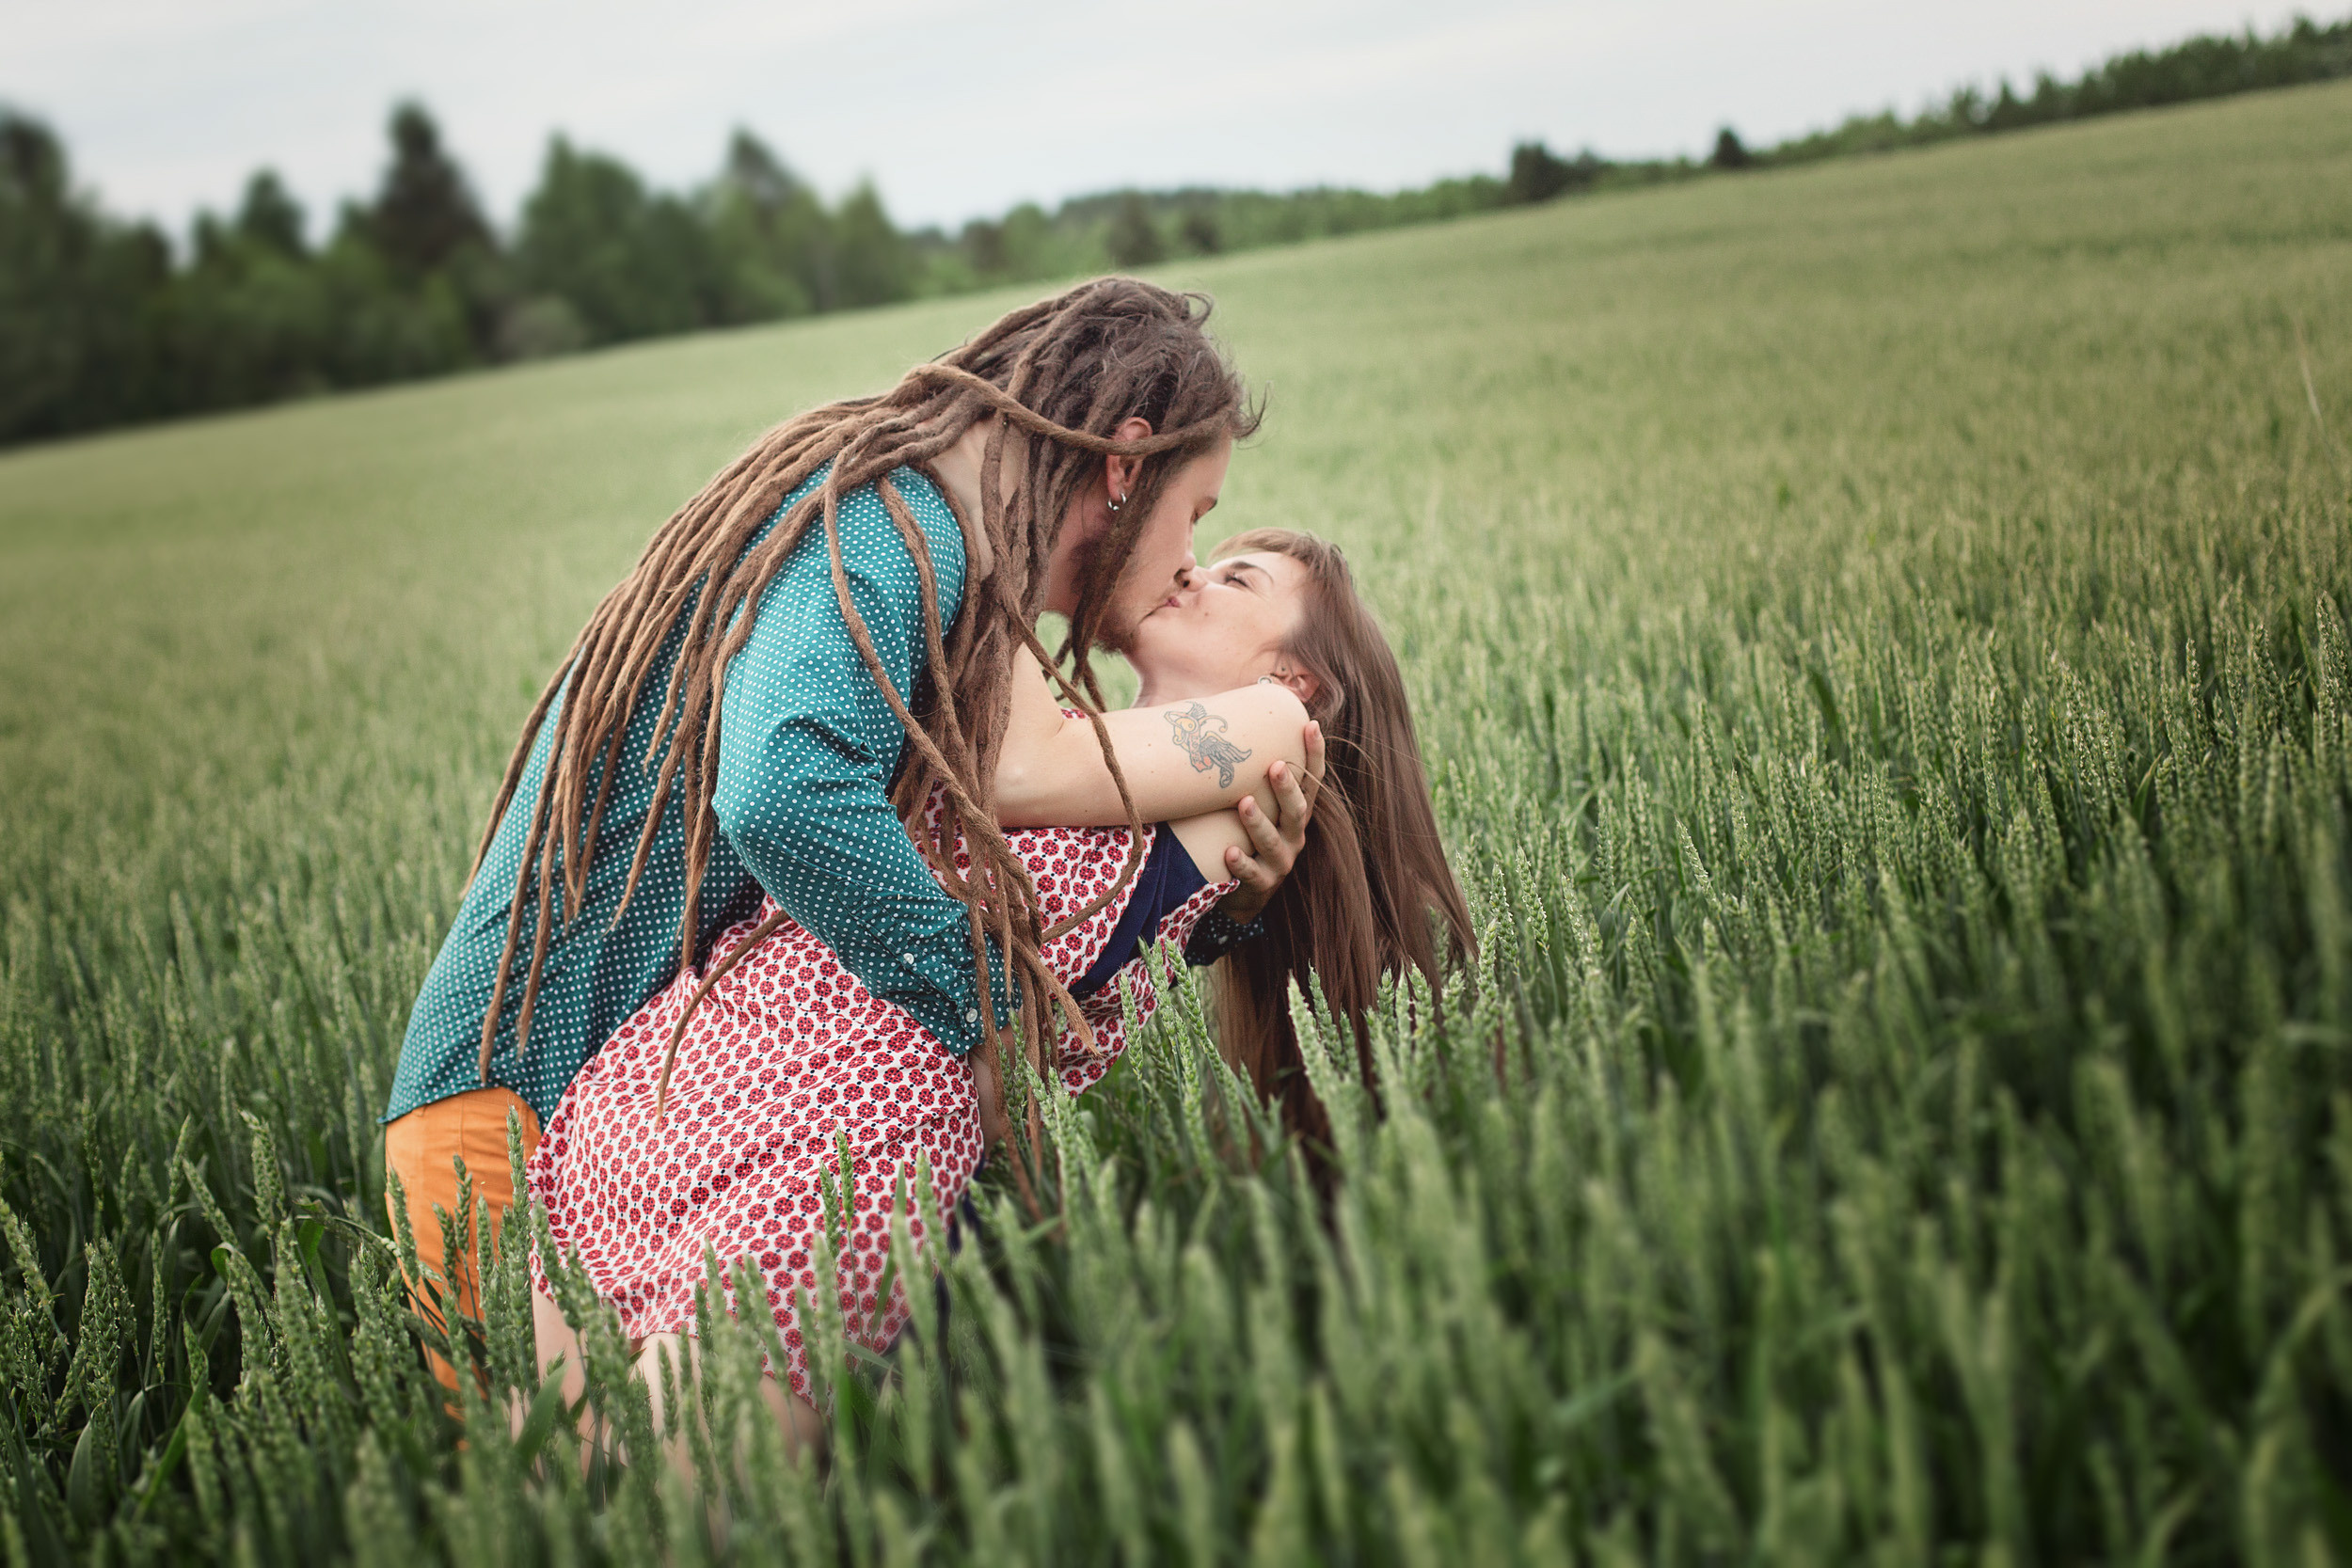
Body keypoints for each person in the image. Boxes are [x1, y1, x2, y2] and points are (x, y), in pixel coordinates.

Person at [382, 279, 1322, 1389]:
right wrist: (986, 1003)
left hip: (603, 1123)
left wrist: (1219, 914)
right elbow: (782, 790)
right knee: (565, 1489)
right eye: (1197, 512)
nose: (1186, 560)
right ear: (1124, 463)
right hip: (509, 1112)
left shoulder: (922, 536)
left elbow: (1040, 870)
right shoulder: (895, 527)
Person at [524, 527, 1475, 1464]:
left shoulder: (1270, 726)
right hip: (686, 1082)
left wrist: (1013, 499)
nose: (1190, 567)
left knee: (640, 1507)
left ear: (1296, 677)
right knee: (545, 1497)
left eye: (1238, 578)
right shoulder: (1094, 747)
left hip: (834, 1159)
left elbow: (1017, 762)